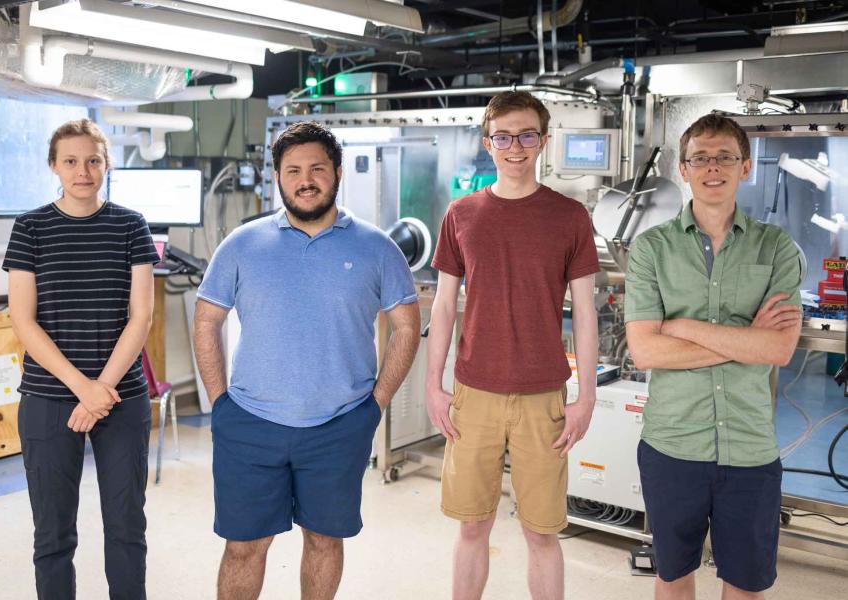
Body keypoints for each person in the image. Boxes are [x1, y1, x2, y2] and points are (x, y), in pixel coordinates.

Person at [193, 120, 420, 600]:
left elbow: (406, 326)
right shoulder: (242, 244)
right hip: (250, 423)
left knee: (324, 539)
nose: (305, 179)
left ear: (337, 172)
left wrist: (374, 406)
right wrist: (220, 402)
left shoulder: (377, 247)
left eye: (317, 167)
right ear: (277, 176)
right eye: (292, 169)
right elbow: (206, 319)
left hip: (340, 425)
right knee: (243, 546)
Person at [425, 91, 600, 599]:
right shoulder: (462, 214)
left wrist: (585, 397)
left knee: (542, 532)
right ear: (488, 144)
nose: (515, 147)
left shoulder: (569, 217)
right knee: (472, 526)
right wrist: (433, 388)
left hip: (543, 396)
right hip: (473, 393)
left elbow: (585, 313)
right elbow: (443, 306)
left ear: (543, 141)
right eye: (503, 137)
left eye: (526, 135)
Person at [625, 113, 802, 600]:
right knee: (673, 577)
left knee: (744, 586)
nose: (712, 167)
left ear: (745, 167)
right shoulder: (651, 250)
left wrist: (682, 328)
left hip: (749, 449)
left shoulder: (777, 248)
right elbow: (644, 350)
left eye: (725, 156)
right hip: (672, 445)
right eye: (700, 158)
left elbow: (778, 347)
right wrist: (743, 340)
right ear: (683, 169)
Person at [3, 118, 159, 600]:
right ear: (54, 166)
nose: (83, 171)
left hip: (121, 398)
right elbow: (23, 321)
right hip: (50, 400)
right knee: (52, 536)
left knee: (127, 529)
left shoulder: (131, 225)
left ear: (106, 164)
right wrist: (83, 389)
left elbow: (142, 318)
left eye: (93, 160)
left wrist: (100, 392)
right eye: (70, 161)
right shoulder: (30, 227)